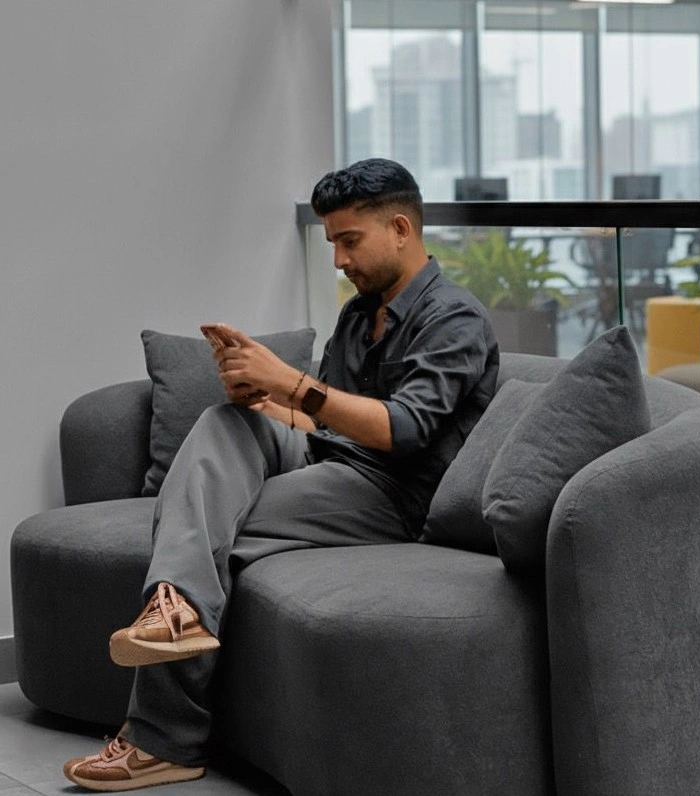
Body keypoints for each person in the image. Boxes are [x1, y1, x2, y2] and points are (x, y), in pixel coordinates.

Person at [63, 158, 499, 791]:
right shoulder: (360, 315)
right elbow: (318, 422)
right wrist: (259, 397)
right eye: (332, 244)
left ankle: (161, 736)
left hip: (394, 492)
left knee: (200, 531)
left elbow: (403, 429)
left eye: (350, 241)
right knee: (223, 422)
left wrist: (290, 382)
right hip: (332, 459)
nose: (339, 260)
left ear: (401, 229)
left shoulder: (455, 319)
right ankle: (175, 611)